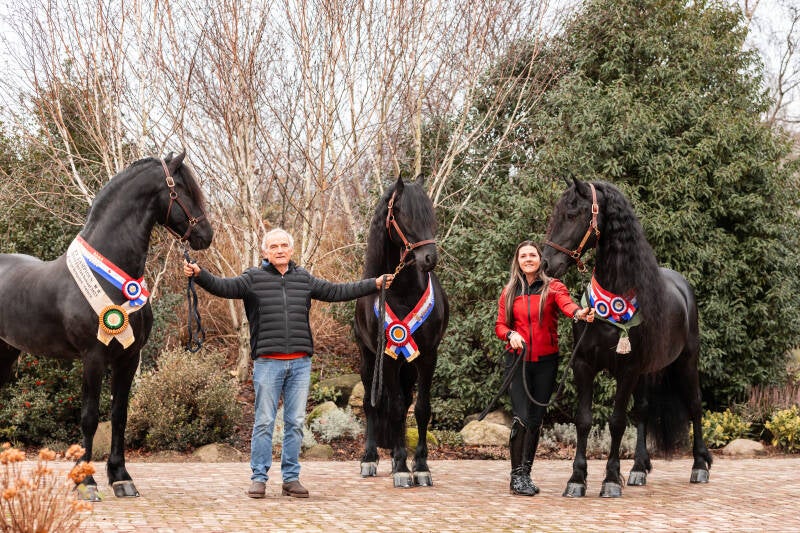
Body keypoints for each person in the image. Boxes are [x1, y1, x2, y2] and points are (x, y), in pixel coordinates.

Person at [184, 228, 393, 499]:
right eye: (274, 246)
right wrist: (200, 274)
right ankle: (259, 478)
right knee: (264, 422)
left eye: (284, 245)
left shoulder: (303, 278)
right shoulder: (253, 278)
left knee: (295, 422)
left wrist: (373, 284)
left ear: (291, 250)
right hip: (268, 363)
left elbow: (336, 291)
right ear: (265, 252)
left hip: (300, 363)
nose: (280, 250)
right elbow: (224, 286)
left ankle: (291, 478)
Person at [494, 240, 594, 496]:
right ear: (517, 261)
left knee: (536, 419)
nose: (528, 259)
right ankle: (516, 477)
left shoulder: (554, 287)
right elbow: (500, 326)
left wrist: (580, 313)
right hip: (517, 361)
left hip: (546, 363)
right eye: (523, 256)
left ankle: (526, 473)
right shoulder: (509, 291)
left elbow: (567, 305)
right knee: (521, 417)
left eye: (532, 255)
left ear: (540, 259)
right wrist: (510, 335)